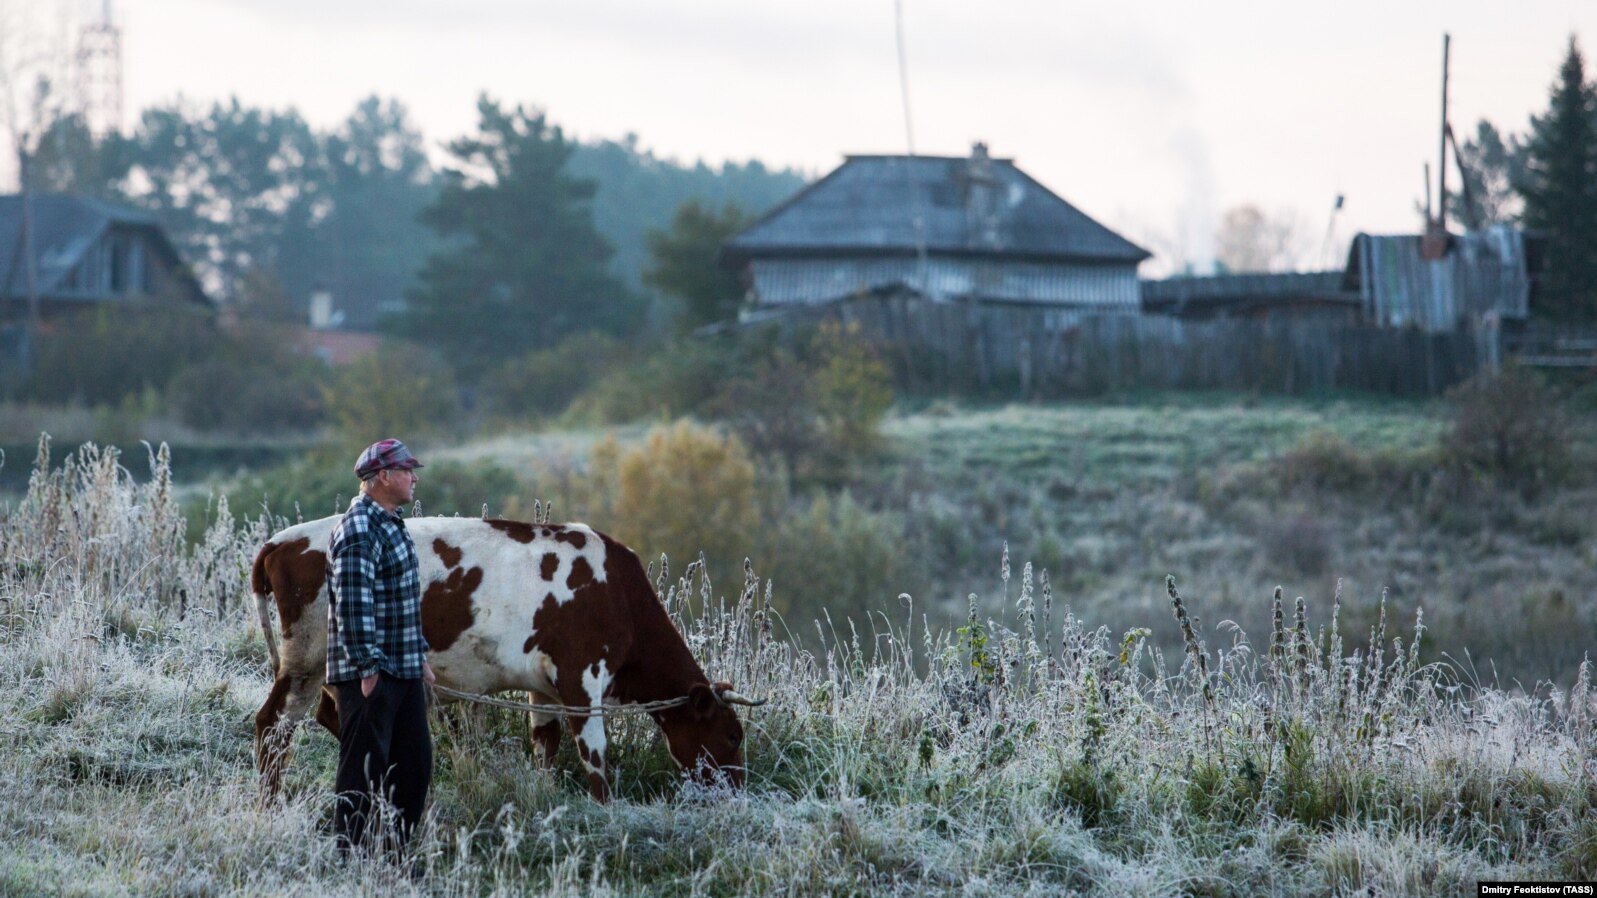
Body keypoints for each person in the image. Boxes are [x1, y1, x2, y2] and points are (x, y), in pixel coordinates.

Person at [327, 438, 436, 861]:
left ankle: (393, 856)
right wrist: (368, 667)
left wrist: (419, 656)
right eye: (406, 469)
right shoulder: (360, 528)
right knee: (363, 771)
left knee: (414, 768)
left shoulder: (391, 522)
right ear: (383, 477)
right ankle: (352, 860)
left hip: (403, 670)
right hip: (371, 675)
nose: (414, 477)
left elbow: (402, 599)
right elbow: (354, 603)